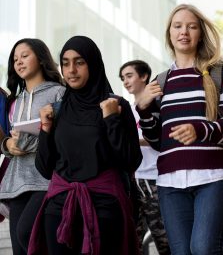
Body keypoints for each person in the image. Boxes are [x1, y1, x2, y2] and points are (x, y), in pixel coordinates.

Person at [136, 4, 223, 255]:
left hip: (213, 176)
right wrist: (144, 109)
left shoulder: (218, 71)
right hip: (170, 182)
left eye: (191, 27)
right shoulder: (160, 81)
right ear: (169, 34)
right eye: (177, 26)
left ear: (200, 33)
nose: (184, 32)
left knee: (203, 248)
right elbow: (157, 140)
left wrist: (199, 130)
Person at [28, 35, 142, 255]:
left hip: (104, 209)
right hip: (59, 209)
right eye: (66, 63)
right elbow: (44, 168)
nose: (71, 70)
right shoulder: (57, 110)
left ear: (93, 64)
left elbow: (130, 160)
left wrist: (111, 120)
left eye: (79, 62)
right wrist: (45, 129)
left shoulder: (116, 105)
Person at [0, 38, 65, 255]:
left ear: (40, 58)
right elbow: (7, 141)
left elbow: (65, 137)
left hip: (46, 179)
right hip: (18, 179)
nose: (19, 62)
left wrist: (32, 139)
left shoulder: (59, 93)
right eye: (15, 59)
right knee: (19, 247)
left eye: (25, 55)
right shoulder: (15, 101)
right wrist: (9, 144)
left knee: (26, 232)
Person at [120, 60, 170, 254]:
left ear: (144, 77)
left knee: (164, 240)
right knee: (133, 241)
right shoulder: (126, 110)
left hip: (156, 180)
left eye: (129, 75)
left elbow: (160, 138)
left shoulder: (158, 104)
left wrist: (132, 140)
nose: (125, 81)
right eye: (123, 78)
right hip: (133, 182)